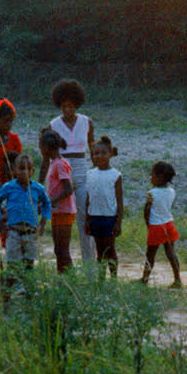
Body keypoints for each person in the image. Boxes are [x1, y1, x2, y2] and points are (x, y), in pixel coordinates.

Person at [46, 79, 95, 265]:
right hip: (61, 177)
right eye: (64, 106)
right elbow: (50, 154)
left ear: (77, 104)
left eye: (71, 106)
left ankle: (89, 266)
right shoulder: (53, 124)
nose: (68, 110)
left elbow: (92, 149)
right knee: (62, 222)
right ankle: (64, 265)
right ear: (59, 105)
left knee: (85, 220)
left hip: (82, 173)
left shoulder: (86, 122)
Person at [0, 153, 51, 298]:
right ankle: (6, 297)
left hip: (31, 233)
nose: (24, 172)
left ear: (32, 171)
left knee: (29, 264)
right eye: (21, 168)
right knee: (13, 265)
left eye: (28, 169)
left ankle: (28, 294)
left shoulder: (37, 188)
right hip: (14, 233)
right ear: (14, 171)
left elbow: (47, 204)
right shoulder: (9, 187)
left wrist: (43, 222)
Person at [84, 137, 122, 278]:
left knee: (110, 250)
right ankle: (101, 279)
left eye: (103, 153)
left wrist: (118, 222)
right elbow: (88, 198)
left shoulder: (116, 175)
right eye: (96, 153)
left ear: (110, 154)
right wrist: (87, 220)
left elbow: (120, 201)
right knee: (99, 251)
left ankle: (113, 279)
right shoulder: (90, 174)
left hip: (109, 218)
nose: (99, 156)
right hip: (94, 217)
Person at [39, 127, 75, 273]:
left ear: (46, 148)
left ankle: (69, 280)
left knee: (62, 250)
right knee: (58, 249)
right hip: (58, 212)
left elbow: (68, 189)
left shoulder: (59, 164)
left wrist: (50, 201)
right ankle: (63, 278)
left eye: (41, 147)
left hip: (64, 212)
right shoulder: (54, 163)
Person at [141, 161, 181, 287]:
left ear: (159, 177)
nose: (150, 177)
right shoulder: (171, 191)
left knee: (150, 255)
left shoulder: (151, 193)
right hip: (169, 223)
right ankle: (177, 279)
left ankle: (145, 279)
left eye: (152, 175)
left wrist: (148, 225)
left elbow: (146, 211)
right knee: (171, 253)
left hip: (156, 225)